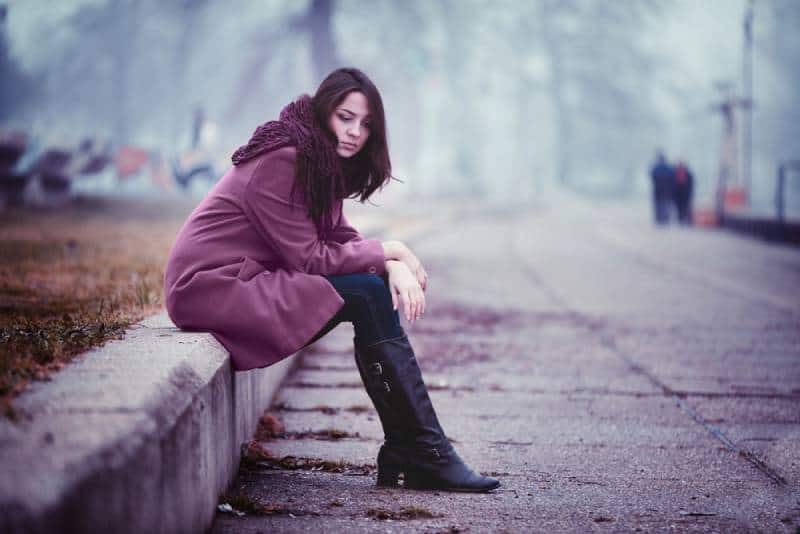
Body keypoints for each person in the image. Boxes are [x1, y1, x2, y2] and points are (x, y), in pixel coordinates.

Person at [163, 68, 500, 493]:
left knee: (369, 290)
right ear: (324, 113)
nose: (356, 132)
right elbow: (311, 257)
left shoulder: (316, 160)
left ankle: (416, 448)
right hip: (210, 287)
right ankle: (421, 450)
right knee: (365, 294)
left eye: (366, 124)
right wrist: (391, 251)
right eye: (346, 117)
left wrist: (388, 262)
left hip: (243, 281)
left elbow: (338, 237)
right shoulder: (284, 158)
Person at [649, 151, 674, 225]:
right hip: (665, 189)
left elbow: (652, 175)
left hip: (658, 189)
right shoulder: (668, 168)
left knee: (659, 204)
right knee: (665, 204)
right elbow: (672, 177)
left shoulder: (656, 167)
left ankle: (660, 218)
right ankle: (664, 218)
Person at [673, 160, 694, 225]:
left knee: (684, 207)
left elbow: (690, 184)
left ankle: (684, 219)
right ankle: (682, 219)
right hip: (681, 194)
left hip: (683, 194)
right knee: (681, 207)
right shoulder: (677, 173)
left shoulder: (679, 173)